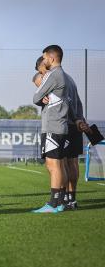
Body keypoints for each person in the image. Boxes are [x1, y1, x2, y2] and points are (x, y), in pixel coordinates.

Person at [35, 55, 89, 210]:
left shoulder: (55, 77)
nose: (42, 76)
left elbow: (67, 102)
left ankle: (60, 200)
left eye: (41, 71)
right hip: (73, 123)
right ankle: (70, 199)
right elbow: (77, 102)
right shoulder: (69, 79)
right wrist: (79, 119)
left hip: (62, 122)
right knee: (70, 162)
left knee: (59, 163)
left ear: (45, 65)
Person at [32, 45, 69, 213]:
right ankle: (60, 202)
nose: (44, 61)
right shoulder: (62, 75)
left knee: (53, 164)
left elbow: (36, 97)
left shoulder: (53, 74)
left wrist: (41, 97)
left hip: (53, 126)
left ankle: (54, 204)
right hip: (59, 125)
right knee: (58, 165)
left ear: (52, 58)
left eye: (45, 58)